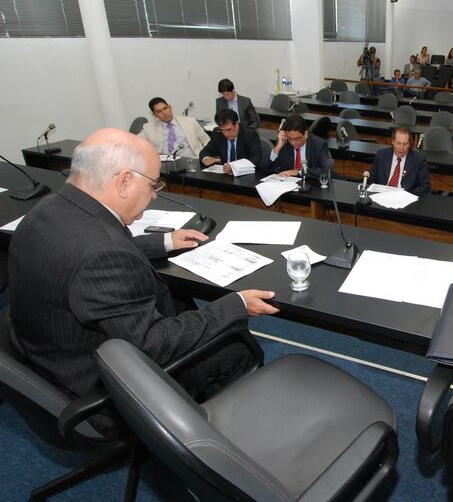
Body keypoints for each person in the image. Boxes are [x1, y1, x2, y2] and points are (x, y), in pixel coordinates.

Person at [8, 128, 278, 435]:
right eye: (152, 184)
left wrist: (164, 242)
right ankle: (222, 443)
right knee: (238, 347)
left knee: (178, 301)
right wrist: (236, 304)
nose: (154, 195)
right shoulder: (103, 254)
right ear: (124, 181)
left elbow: (85, 254)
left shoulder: (46, 209)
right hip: (103, 389)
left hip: (50, 356)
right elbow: (153, 345)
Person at [260, 114, 333, 178]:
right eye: (289, 138)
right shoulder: (284, 142)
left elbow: (326, 170)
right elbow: (264, 167)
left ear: (305, 134)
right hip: (288, 184)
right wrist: (278, 147)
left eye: (297, 138)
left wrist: (299, 172)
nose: (293, 142)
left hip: (311, 185)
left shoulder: (318, 144)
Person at [139, 97, 210, 157]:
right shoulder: (149, 128)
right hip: (165, 163)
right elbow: (136, 143)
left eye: (165, 108)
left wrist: (205, 156)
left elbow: (206, 140)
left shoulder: (190, 122)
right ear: (154, 115)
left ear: (170, 108)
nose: (164, 113)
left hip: (191, 160)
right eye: (159, 111)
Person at [369, 126, 431, 195]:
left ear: (409, 144)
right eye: (398, 143)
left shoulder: (419, 159)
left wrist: (407, 195)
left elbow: (425, 186)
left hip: (406, 197)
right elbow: (372, 180)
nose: (401, 147)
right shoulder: (382, 155)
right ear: (392, 141)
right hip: (382, 195)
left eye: (405, 144)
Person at [199, 108, 263, 174]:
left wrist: (235, 168)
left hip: (244, 175)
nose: (226, 134)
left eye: (229, 129)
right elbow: (205, 151)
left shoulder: (250, 135)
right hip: (224, 174)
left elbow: (256, 159)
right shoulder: (217, 133)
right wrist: (206, 158)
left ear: (237, 124)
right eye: (222, 130)